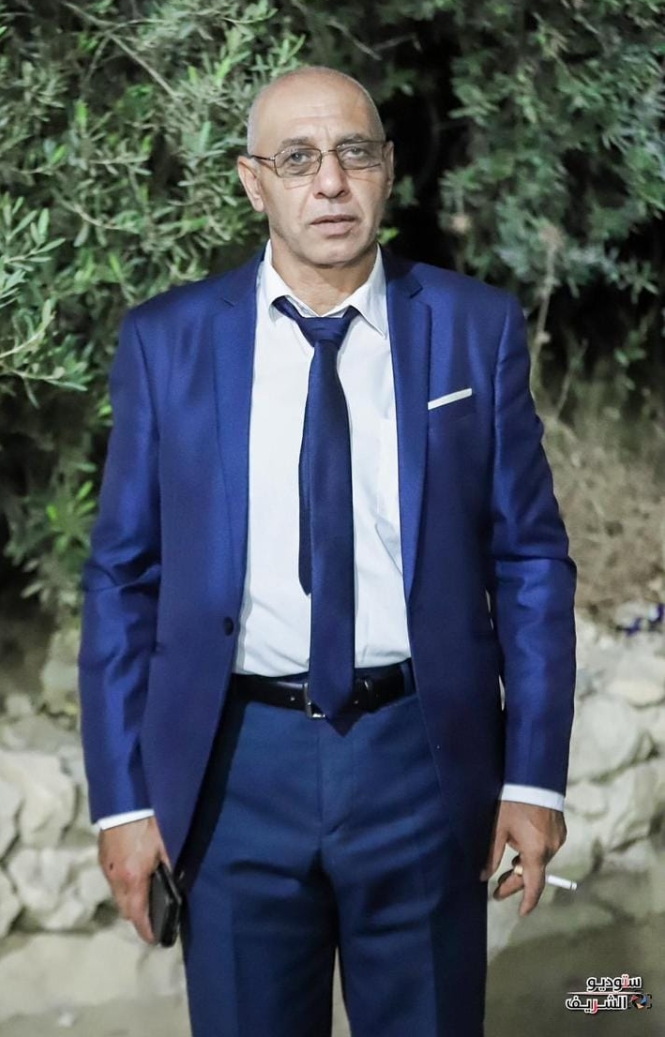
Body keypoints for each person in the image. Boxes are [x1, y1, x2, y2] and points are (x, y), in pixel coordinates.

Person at [78, 65, 577, 1037]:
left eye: (354, 153)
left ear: (387, 169)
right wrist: (123, 803)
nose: (331, 183)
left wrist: (531, 778)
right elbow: (121, 578)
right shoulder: (168, 343)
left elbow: (529, 562)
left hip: (421, 762)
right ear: (252, 182)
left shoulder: (472, 330)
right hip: (234, 772)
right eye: (298, 159)